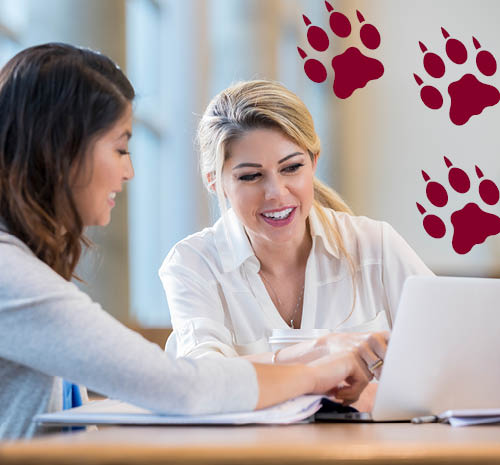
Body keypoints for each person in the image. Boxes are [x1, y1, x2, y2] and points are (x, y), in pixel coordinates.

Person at [0, 44, 379, 440]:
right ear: (62, 150)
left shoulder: (23, 264)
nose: (128, 171)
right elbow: (183, 387)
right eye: (120, 148)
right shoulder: (9, 274)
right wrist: (318, 373)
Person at [159, 80, 433, 406]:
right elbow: (201, 378)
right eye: (250, 176)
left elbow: (451, 350)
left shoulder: (375, 246)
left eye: (291, 168)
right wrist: (320, 351)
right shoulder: (193, 264)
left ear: (313, 163)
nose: (276, 192)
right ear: (215, 182)